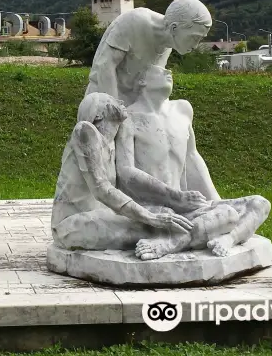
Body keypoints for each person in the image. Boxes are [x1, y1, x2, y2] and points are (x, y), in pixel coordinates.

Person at [117, 65, 271, 260]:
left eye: (169, 70)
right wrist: (175, 197)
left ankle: (227, 239)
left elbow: (192, 158)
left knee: (259, 204)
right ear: (141, 80)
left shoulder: (182, 110)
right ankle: (172, 242)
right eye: (159, 70)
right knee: (229, 215)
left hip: (188, 206)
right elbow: (125, 171)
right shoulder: (128, 118)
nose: (169, 72)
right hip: (155, 208)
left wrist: (214, 201)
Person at [51, 93, 195, 251]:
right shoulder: (85, 131)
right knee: (152, 226)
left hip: (100, 215)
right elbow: (101, 188)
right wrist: (150, 217)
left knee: (167, 214)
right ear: (97, 114)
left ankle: (185, 239)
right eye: (109, 100)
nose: (119, 100)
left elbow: (126, 180)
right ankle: (171, 245)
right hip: (71, 225)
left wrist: (168, 200)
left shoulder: (112, 143)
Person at [86, 0, 211, 105]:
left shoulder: (168, 45)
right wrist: (115, 110)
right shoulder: (134, 22)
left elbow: (149, 87)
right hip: (103, 97)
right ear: (174, 28)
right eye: (195, 38)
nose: (196, 45)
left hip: (134, 106)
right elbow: (105, 65)